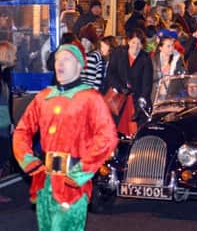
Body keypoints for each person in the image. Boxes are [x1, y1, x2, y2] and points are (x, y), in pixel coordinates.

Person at [12, 44, 118, 231]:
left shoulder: (90, 98)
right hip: (44, 183)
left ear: (80, 66)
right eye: (58, 59)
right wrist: (29, 161)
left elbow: (108, 137)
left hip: (71, 186)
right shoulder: (44, 96)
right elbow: (21, 131)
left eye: (66, 59)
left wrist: (80, 172)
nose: (60, 64)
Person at [106, 29, 153, 135]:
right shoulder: (118, 53)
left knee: (135, 131)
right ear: (128, 42)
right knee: (115, 130)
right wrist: (120, 87)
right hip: (118, 98)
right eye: (133, 42)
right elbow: (110, 74)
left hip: (135, 101)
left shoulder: (145, 59)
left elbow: (147, 84)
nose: (136, 46)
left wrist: (142, 101)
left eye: (139, 43)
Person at [0, 41, 16, 201]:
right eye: (13, 54)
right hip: (1, 122)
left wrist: (11, 122)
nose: (16, 57)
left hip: (4, 122)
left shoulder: (5, 75)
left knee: (3, 156)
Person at [151, 36, 185, 101]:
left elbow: (183, 77)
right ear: (160, 48)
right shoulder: (154, 60)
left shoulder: (178, 59)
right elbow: (149, 78)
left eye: (172, 45)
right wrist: (161, 76)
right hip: (156, 95)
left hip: (173, 95)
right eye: (168, 46)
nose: (171, 48)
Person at [79, 23, 104, 90]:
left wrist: (94, 91)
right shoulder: (79, 54)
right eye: (82, 40)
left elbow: (99, 76)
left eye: (87, 40)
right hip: (80, 91)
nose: (84, 43)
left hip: (91, 91)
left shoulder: (96, 55)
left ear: (92, 42)